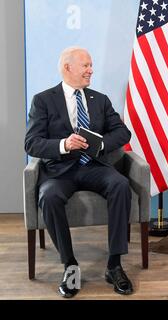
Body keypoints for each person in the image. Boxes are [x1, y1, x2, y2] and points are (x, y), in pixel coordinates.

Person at [25, 47, 133, 298]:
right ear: (68, 68)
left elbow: (122, 133)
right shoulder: (43, 100)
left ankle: (114, 265)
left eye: (91, 65)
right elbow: (31, 143)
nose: (90, 70)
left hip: (93, 166)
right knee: (49, 197)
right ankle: (70, 266)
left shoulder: (100, 99)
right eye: (85, 65)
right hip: (60, 170)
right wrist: (64, 144)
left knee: (120, 185)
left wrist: (100, 143)